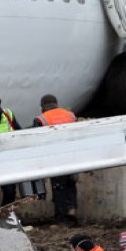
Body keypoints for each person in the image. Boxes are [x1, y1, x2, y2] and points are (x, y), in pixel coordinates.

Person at [32, 94, 78, 223]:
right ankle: (72, 209)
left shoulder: (41, 119)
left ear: (42, 106)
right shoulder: (70, 115)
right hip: (72, 154)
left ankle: (61, 217)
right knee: (71, 183)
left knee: (59, 187)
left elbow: (36, 140)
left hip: (55, 157)